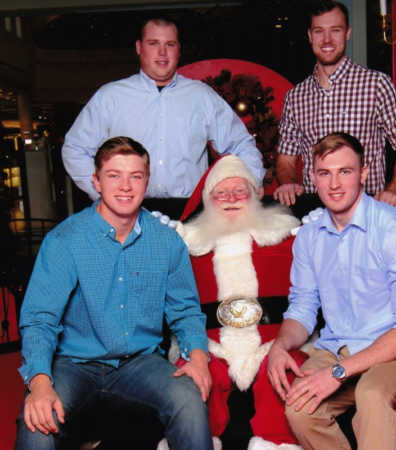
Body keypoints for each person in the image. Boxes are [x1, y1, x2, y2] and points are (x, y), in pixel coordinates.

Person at [15, 136, 213, 450]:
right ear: (96, 181)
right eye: (113, 175)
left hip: (140, 361)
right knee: (38, 423)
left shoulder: (167, 242)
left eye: (135, 176)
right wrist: (39, 383)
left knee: (189, 398)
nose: (125, 186)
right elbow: (40, 319)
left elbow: (186, 311)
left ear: (147, 182)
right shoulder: (65, 240)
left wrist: (199, 358)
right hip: (74, 362)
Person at [267, 132, 396, 450]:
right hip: (338, 346)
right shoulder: (309, 236)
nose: (334, 184)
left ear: (363, 174)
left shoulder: (395, 228)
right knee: (299, 408)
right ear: (312, 178)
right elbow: (302, 308)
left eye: (345, 171)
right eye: (324, 173)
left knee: (371, 396)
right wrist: (280, 345)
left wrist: (338, 372)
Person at [62, 18, 264, 217]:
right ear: (139, 48)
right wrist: (102, 191)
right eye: (153, 43)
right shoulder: (110, 97)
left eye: (170, 44)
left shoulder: (202, 96)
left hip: (189, 214)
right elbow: (75, 149)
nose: (162, 52)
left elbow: (242, 145)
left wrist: (250, 182)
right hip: (128, 213)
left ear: (179, 49)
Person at [174, 155, 310, 450]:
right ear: (208, 200)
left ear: (255, 194)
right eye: (221, 193)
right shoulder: (186, 244)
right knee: (188, 384)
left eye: (239, 191)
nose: (231, 199)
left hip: (272, 342)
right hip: (210, 345)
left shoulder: (288, 236)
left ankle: (278, 445)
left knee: (287, 376)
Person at [274, 0, 396, 214]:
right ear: (310, 36)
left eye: (336, 30)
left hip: (367, 208)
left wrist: (394, 190)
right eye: (319, 31)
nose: (327, 40)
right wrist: (288, 183)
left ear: (348, 33)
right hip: (315, 212)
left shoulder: (377, 85)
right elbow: (286, 159)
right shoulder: (296, 97)